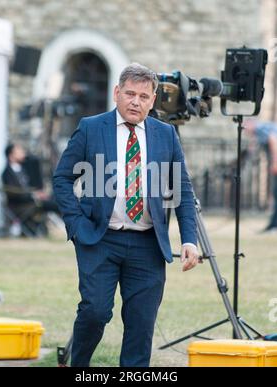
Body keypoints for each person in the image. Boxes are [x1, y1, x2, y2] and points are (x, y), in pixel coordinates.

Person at [53, 63, 199, 367]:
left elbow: (182, 190)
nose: (136, 101)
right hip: (99, 239)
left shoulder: (166, 135)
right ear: (117, 93)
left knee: (141, 325)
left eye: (144, 96)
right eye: (130, 94)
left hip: (148, 245)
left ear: (153, 100)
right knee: (95, 312)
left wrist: (189, 239)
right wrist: (76, 223)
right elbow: (62, 178)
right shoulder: (92, 128)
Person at [2, 143, 60, 236]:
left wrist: (39, 193)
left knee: (56, 199)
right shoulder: (6, 173)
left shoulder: (24, 169)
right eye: (19, 151)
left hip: (31, 201)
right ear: (11, 155)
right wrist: (34, 195)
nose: (22, 153)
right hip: (19, 205)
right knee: (54, 204)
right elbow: (14, 193)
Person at [245, 119, 277, 231]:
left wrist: (275, 163)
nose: (245, 130)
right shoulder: (259, 131)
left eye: (246, 127)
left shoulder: (259, 128)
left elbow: (273, 140)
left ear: (251, 124)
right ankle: (273, 223)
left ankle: (274, 224)